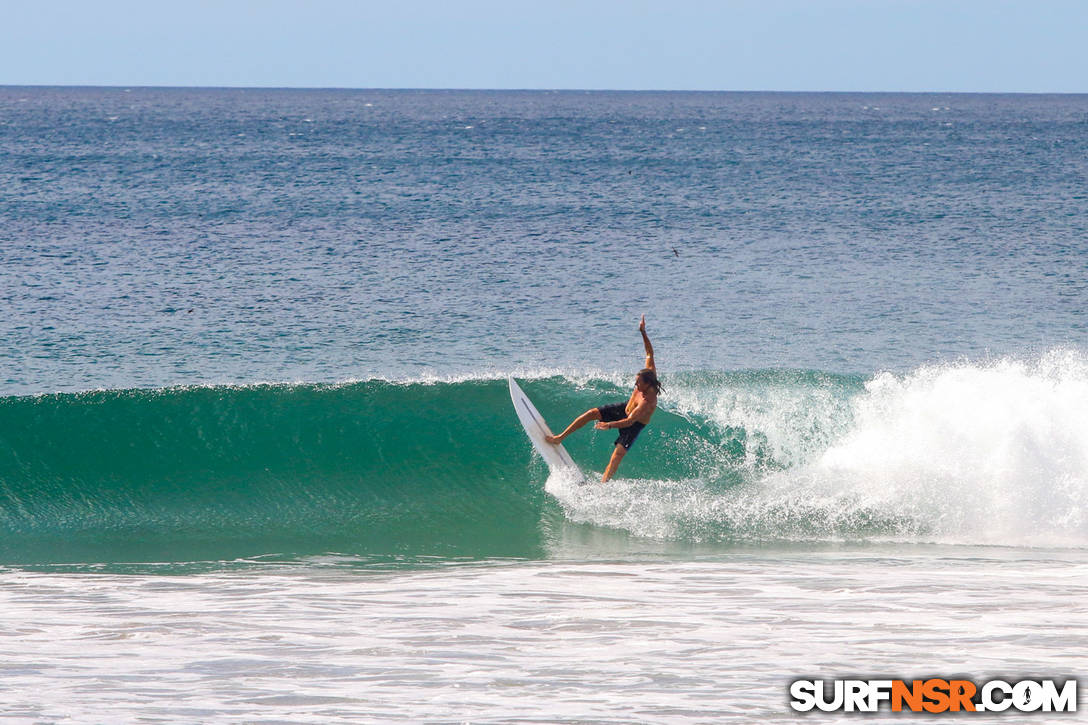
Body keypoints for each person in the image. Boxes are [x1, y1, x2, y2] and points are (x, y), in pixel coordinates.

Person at [545, 315, 662, 482]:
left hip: (634, 424)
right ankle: (559, 438)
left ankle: (602, 486)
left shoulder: (647, 402)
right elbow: (650, 352)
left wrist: (609, 425)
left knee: (616, 456)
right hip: (625, 408)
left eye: (638, 383)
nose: (635, 385)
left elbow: (629, 421)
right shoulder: (648, 373)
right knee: (592, 413)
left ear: (647, 384)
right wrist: (643, 331)